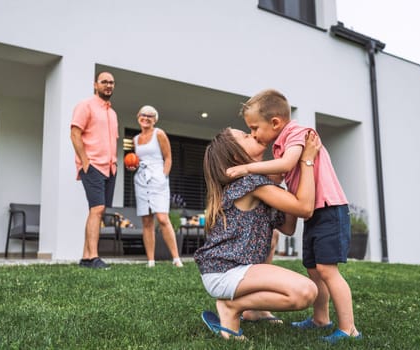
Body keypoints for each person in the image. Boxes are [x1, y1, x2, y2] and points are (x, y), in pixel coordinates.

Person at [226, 89, 362, 343]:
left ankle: (349, 328)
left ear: (275, 122)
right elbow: (278, 175)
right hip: (315, 213)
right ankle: (321, 318)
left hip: (329, 209)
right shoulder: (281, 145)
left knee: (326, 269)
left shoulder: (299, 134)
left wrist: (247, 167)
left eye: (254, 128)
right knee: (312, 268)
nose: (254, 134)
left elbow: (287, 166)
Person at [194, 127, 321, 340]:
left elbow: (288, 227)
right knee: (305, 292)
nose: (253, 134)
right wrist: (306, 162)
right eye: (246, 135)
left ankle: (255, 310)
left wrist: (285, 184)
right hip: (225, 270)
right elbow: (305, 208)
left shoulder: (258, 182)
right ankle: (231, 306)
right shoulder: (250, 183)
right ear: (237, 156)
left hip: (234, 268)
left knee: (273, 236)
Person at [70, 71, 118, 269]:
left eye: (111, 82)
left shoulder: (112, 113)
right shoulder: (85, 105)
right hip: (93, 165)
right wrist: (85, 162)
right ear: (95, 85)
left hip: (110, 167)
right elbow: (75, 133)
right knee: (97, 209)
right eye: (104, 82)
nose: (108, 85)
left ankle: (85, 257)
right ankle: (94, 258)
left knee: (97, 211)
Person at [130, 105, 183, 268]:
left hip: (158, 178)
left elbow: (168, 158)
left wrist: (163, 176)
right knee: (146, 220)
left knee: (162, 218)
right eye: (143, 115)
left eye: (150, 116)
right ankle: (151, 261)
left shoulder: (159, 134)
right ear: (138, 116)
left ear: (155, 120)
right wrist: (131, 166)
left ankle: (176, 259)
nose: (146, 118)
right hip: (140, 179)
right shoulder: (135, 139)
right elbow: (135, 160)